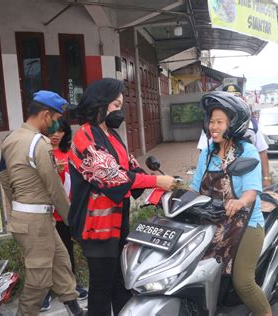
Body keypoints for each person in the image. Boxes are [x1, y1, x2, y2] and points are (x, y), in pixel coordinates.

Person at [68, 78, 176, 316]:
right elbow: (112, 176)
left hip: (117, 224)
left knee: (122, 283)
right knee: (101, 288)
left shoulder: (112, 135)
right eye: (116, 105)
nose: (120, 111)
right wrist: (156, 181)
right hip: (96, 228)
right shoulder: (84, 137)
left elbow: (132, 168)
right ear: (101, 104)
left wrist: (160, 182)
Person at [0, 91, 85, 316]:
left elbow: (5, 179)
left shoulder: (11, 138)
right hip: (36, 221)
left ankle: (75, 309)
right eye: (55, 117)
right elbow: (54, 187)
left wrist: (19, 206)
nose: (56, 123)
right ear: (45, 115)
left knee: (61, 262)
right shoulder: (40, 142)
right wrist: (73, 221)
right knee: (39, 279)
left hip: (31, 217)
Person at [190, 91, 271, 316]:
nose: (213, 126)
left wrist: (239, 202)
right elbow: (194, 187)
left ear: (233, 124)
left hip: (246, 224)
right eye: (211, 121)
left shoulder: (247, 151)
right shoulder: (207, 153)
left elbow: (252, 191)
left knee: (243, 281)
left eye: (219, 122)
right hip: (213, 222)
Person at [40, 118, 88, 312]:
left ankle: (71, 284)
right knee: (44, 253)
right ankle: (44, 292)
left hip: (67, 212)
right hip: (45, 212)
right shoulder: (41, 151)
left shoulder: (69, 153)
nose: (55, 134)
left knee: (66, 252)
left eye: (60, 131)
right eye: (52, 130)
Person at [197, 84, 272, 187]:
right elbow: (202, 155)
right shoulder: (209, 135)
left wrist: (266, 178)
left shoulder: (249, 146)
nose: (214, 126)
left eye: (235, 97)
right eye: (212, 122)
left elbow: (262, 152)